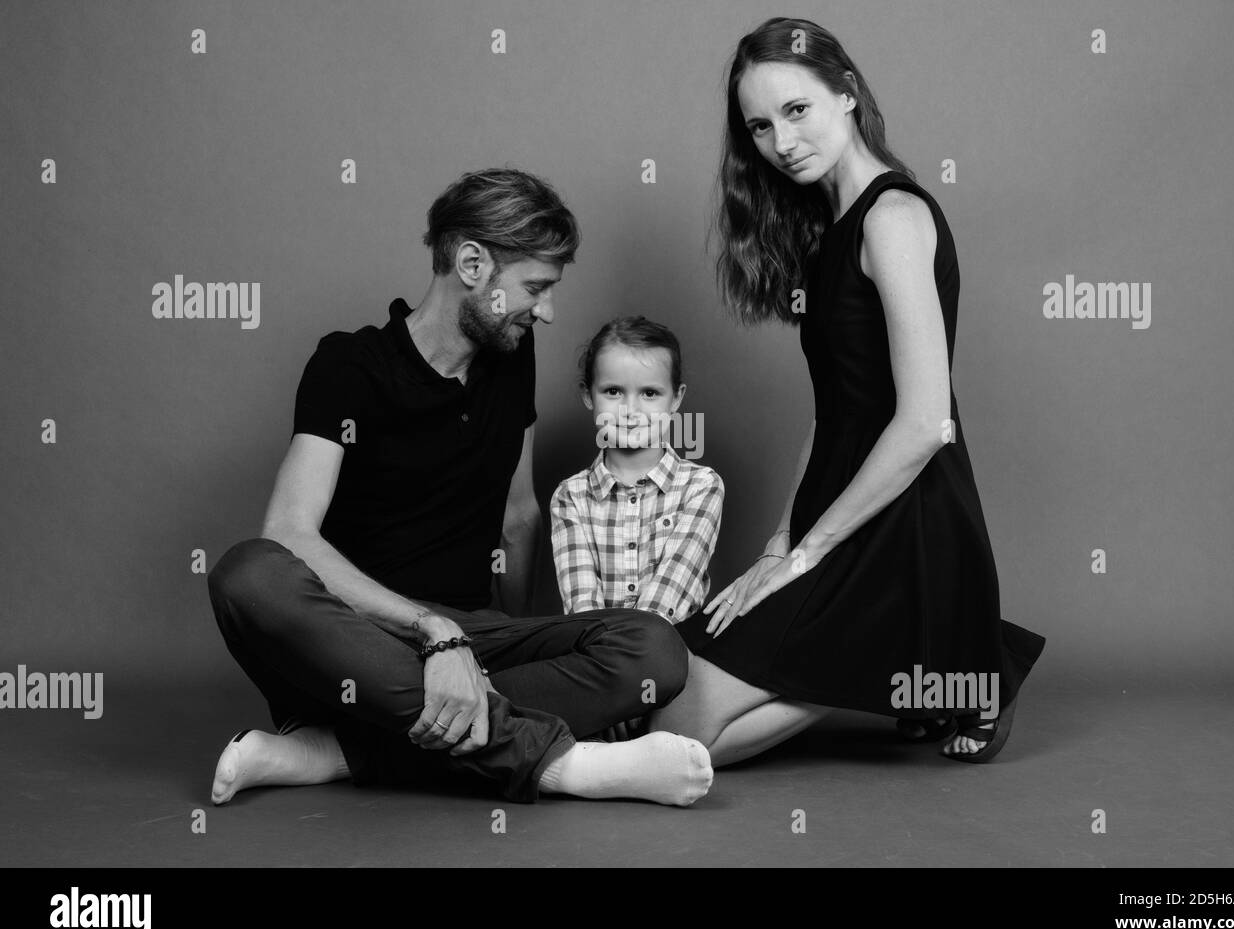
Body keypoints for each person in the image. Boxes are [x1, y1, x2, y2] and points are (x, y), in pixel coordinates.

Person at [207, 168, 713, 807]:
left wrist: (493, 642)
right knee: (246, 572)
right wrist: (432, 631)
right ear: (472, 263)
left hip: (475, 641)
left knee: (655, 647)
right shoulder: (349, 366)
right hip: (358, 643)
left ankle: (336, 751)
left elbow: (519, 516)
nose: (548, 311)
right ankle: (563, 764)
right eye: (536, 287)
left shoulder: (511, 354)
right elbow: (288, 532)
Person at [649, 18, 1047, 765]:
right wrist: (779, 541)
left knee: (679, 734)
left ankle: (956, 666)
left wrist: (807, 557)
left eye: (796, 111)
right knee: (665, 699)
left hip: (905, 521)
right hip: (839, 510)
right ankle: (937, 668)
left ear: (848, 94)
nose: (781, 141)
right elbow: (835, 412)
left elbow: (927, 423)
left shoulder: (894, 217)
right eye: (760, 126)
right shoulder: (826, 235)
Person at [550, 317, 725, 628]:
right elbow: (583, 612)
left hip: (672, 649)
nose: (630, 411)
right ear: (589, 394)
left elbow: (668, 597)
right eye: (614, 391)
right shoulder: (570, 497)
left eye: (649, 393)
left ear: (677, 398)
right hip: (597, 654)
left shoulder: (701, 487)